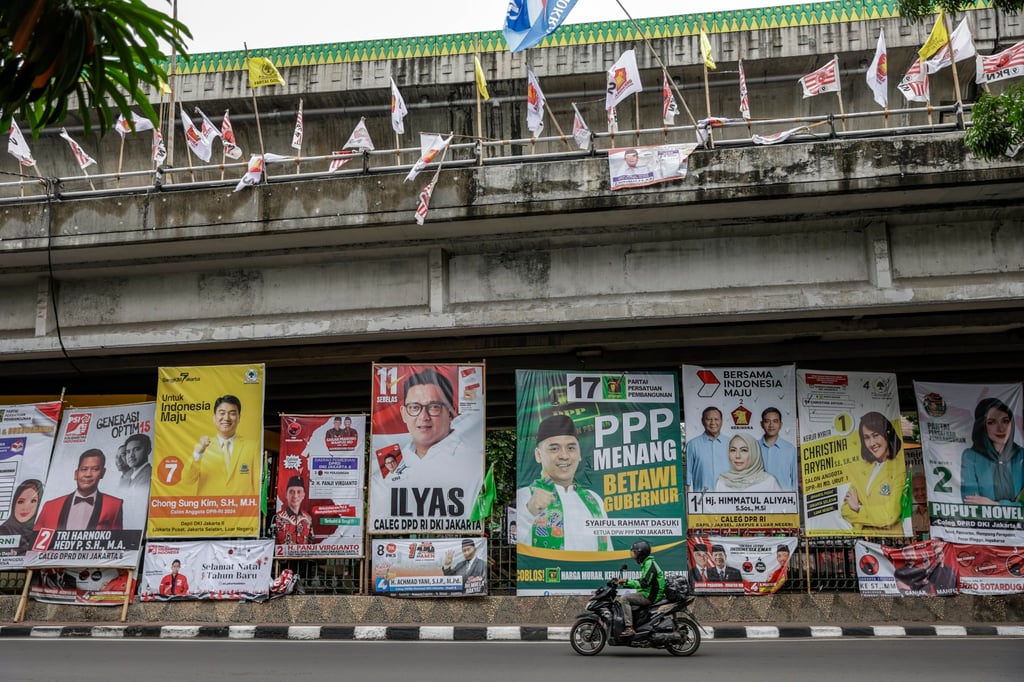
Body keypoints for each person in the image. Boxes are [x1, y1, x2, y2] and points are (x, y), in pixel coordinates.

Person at [517, 415, 610, 551]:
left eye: (571, 448)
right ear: (538, 455)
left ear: (579, 454)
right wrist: (529, 512)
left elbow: (608, 551)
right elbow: (516, 548)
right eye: (554, 449)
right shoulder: (524, 496)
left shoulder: (593, 500)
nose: (564, 456)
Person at [840, 411, 906, 534]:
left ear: (887, 434)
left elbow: (890, 515)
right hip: (863, 540)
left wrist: (858, 508)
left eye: (876, 435)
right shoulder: (863, 469)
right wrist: (874, 515)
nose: (872, 443)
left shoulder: (899, 471)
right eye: (867, 438)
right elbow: (845, 510)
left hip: (889, 542)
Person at [184, 395, 259, 496]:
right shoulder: (203, 447)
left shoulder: (252, 447)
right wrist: (198, 454)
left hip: (241, 510)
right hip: (211, 509)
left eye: (232, 413)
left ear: (239, 418)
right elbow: (187, 480)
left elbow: (257, 484)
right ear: (214, 417)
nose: (226, 418)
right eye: (222, 413)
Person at [34, 450, 124, 531]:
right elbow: (35, 545)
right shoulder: (49, 506)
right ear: (76, 474)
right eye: (84, 469)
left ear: (102, 473)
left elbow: (116, 545)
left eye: (95, 469)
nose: (88, 474)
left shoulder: (114, 505)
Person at [960, 398, 1024, 507]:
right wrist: (1013, 505)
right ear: (982, 426)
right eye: (991, 422)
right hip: (985, 524)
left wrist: (995, 504)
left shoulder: (1021, 455)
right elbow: (971, 503)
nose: (1001, 428)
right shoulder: (970, 457)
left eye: (1005, 421)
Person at [617, 540, 665, 637]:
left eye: (635, 553)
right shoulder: (646, 563)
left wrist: (626, 581)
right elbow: (643, 581)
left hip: (651, 596)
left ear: (641, 553)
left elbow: (644, 583)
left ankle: (629, 628)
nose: (633, 555)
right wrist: (627, 583)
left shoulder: (649, 564)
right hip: (648, 592)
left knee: (624, 598)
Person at [715, 434, 783, 492]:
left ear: (754, 453)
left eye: (744, 450)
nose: (737, 456)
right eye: (733, 450)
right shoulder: (722, 482)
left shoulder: (769, 482)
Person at [686, 406, 727, 493]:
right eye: (709, 419)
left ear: (721, 421)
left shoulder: (732, 443)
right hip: (702, 499)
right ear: (702, 421)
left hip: (727, 499)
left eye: (716, 419)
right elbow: (688, 475)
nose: (713, 423)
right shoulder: (692, 444)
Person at [758, 407, 799, 490]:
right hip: (758, 500)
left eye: (775, 421)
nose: (771, 425)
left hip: (783, 500)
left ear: (781, 425)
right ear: (762, 424)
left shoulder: (790, 449)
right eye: (767, 421)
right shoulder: (753, 447)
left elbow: (795, 480)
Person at [0, 478, 43, 552]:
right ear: (14, 504)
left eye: (33, 501)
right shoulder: (3, 531)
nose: (25, 507)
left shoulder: (42, 533)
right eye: (21, 502)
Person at [274, 476, 314, 545]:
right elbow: (276, 541)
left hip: (303, 555)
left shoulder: (308, 518)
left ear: (303, 495)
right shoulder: (278, 518)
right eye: (291, 492)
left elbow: (311, 540)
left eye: (299, 492)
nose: (295, 496)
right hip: (283, 554)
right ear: (286, 494)